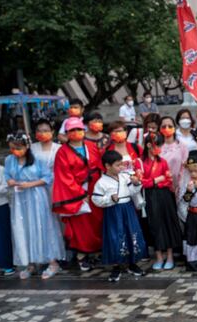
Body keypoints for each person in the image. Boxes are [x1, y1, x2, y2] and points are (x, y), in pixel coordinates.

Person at [5, 133, 65, 279]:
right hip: (20, 199)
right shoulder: (9, 160)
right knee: (23, 228)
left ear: (27, 146)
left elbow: (48, 177)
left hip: (37, 197)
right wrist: (11, 181)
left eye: (18, 148)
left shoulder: (38, 159)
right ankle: (30, 263)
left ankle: (52, 262)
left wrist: (30, 184)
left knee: (42, 226)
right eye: (12, 148)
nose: (15, 151)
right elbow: (7, 176)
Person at [52, 117, 103, 271]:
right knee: (81, 224)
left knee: (97, 221)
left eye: (78, 129)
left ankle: (95, 253)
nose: (76, 133)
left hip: (96, 188)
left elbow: (100, 165)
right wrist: (81, 193)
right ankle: (82, 255)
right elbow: (64, 176)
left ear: (84, 130)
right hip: (77, 192)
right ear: (66, 133)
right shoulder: (62, 152)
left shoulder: (91, 146)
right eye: (72, 130)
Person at [91, 150, 146, 282]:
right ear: (107, 166)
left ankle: (132, 263)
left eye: (121, 164)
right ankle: (117, 266)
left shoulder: (125, 177)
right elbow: (96, 199)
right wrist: (110, 199)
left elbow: (133, 192)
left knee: (131, 233)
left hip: (127, 209)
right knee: (115, 236)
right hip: (113, 212)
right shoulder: (101, 182)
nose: (121, 167)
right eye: (117, 165)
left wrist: (136, 183)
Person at [141, 134, 183, 271]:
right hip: (150, 196)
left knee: (168, 223)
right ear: (149, 145)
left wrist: (156, 182)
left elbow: (168, 179)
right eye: (157, 145)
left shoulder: (163, 161)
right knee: (154, 225)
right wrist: (156, 181)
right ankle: (159, 256)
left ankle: (170, 256)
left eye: (160, 145)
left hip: (164, 195)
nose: (159, 148)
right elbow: (142, 182)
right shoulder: (140, 162)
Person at [0, 150, 14, 276]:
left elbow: (6, 188)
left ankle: (6, 265)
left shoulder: (0, 169)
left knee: (2, 235)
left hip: (0, 205)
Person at [157, 116, 188, 199]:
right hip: (161, 189)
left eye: (170, 126)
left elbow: (185, 169)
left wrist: (179, 185)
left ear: (174, 128)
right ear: (159, 129)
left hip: (179, 187)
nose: (167, 128)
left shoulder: (182, 146)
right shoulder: (156, 147)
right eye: (164, 126)